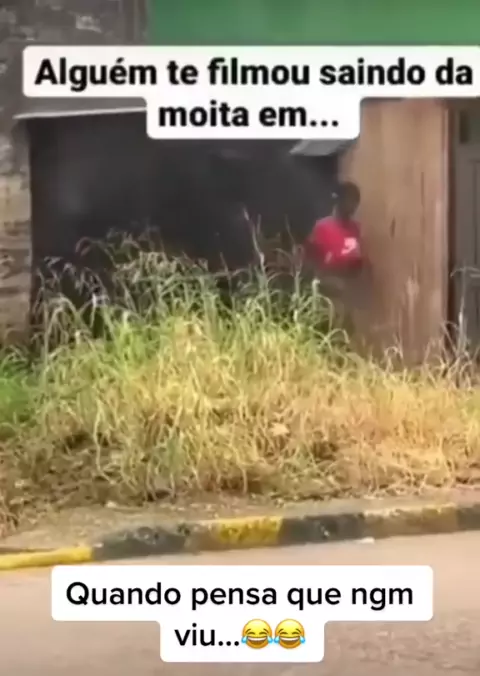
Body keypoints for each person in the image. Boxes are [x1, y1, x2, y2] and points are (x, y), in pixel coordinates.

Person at [301, 181, 366, 331]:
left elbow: (358, 261)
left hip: (348, 299)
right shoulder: (322, 228)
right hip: (328, 298)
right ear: (338, 200)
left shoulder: (355, 229)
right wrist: (326, 283)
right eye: (349, 200)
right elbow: (309, 265)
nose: (353, 206)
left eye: (355, 202)